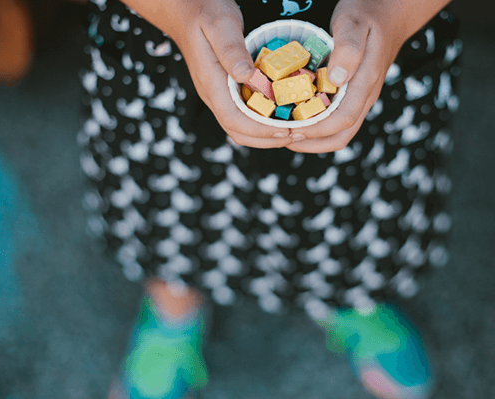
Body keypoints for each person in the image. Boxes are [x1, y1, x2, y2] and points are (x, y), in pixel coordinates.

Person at [78, 0, 461, 398]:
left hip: (382, 41)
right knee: (171, 201)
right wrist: (182, 13)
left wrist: (393, 16)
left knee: (354, 209)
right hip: (161, 45)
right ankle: (173, 305)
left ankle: (353, 294)